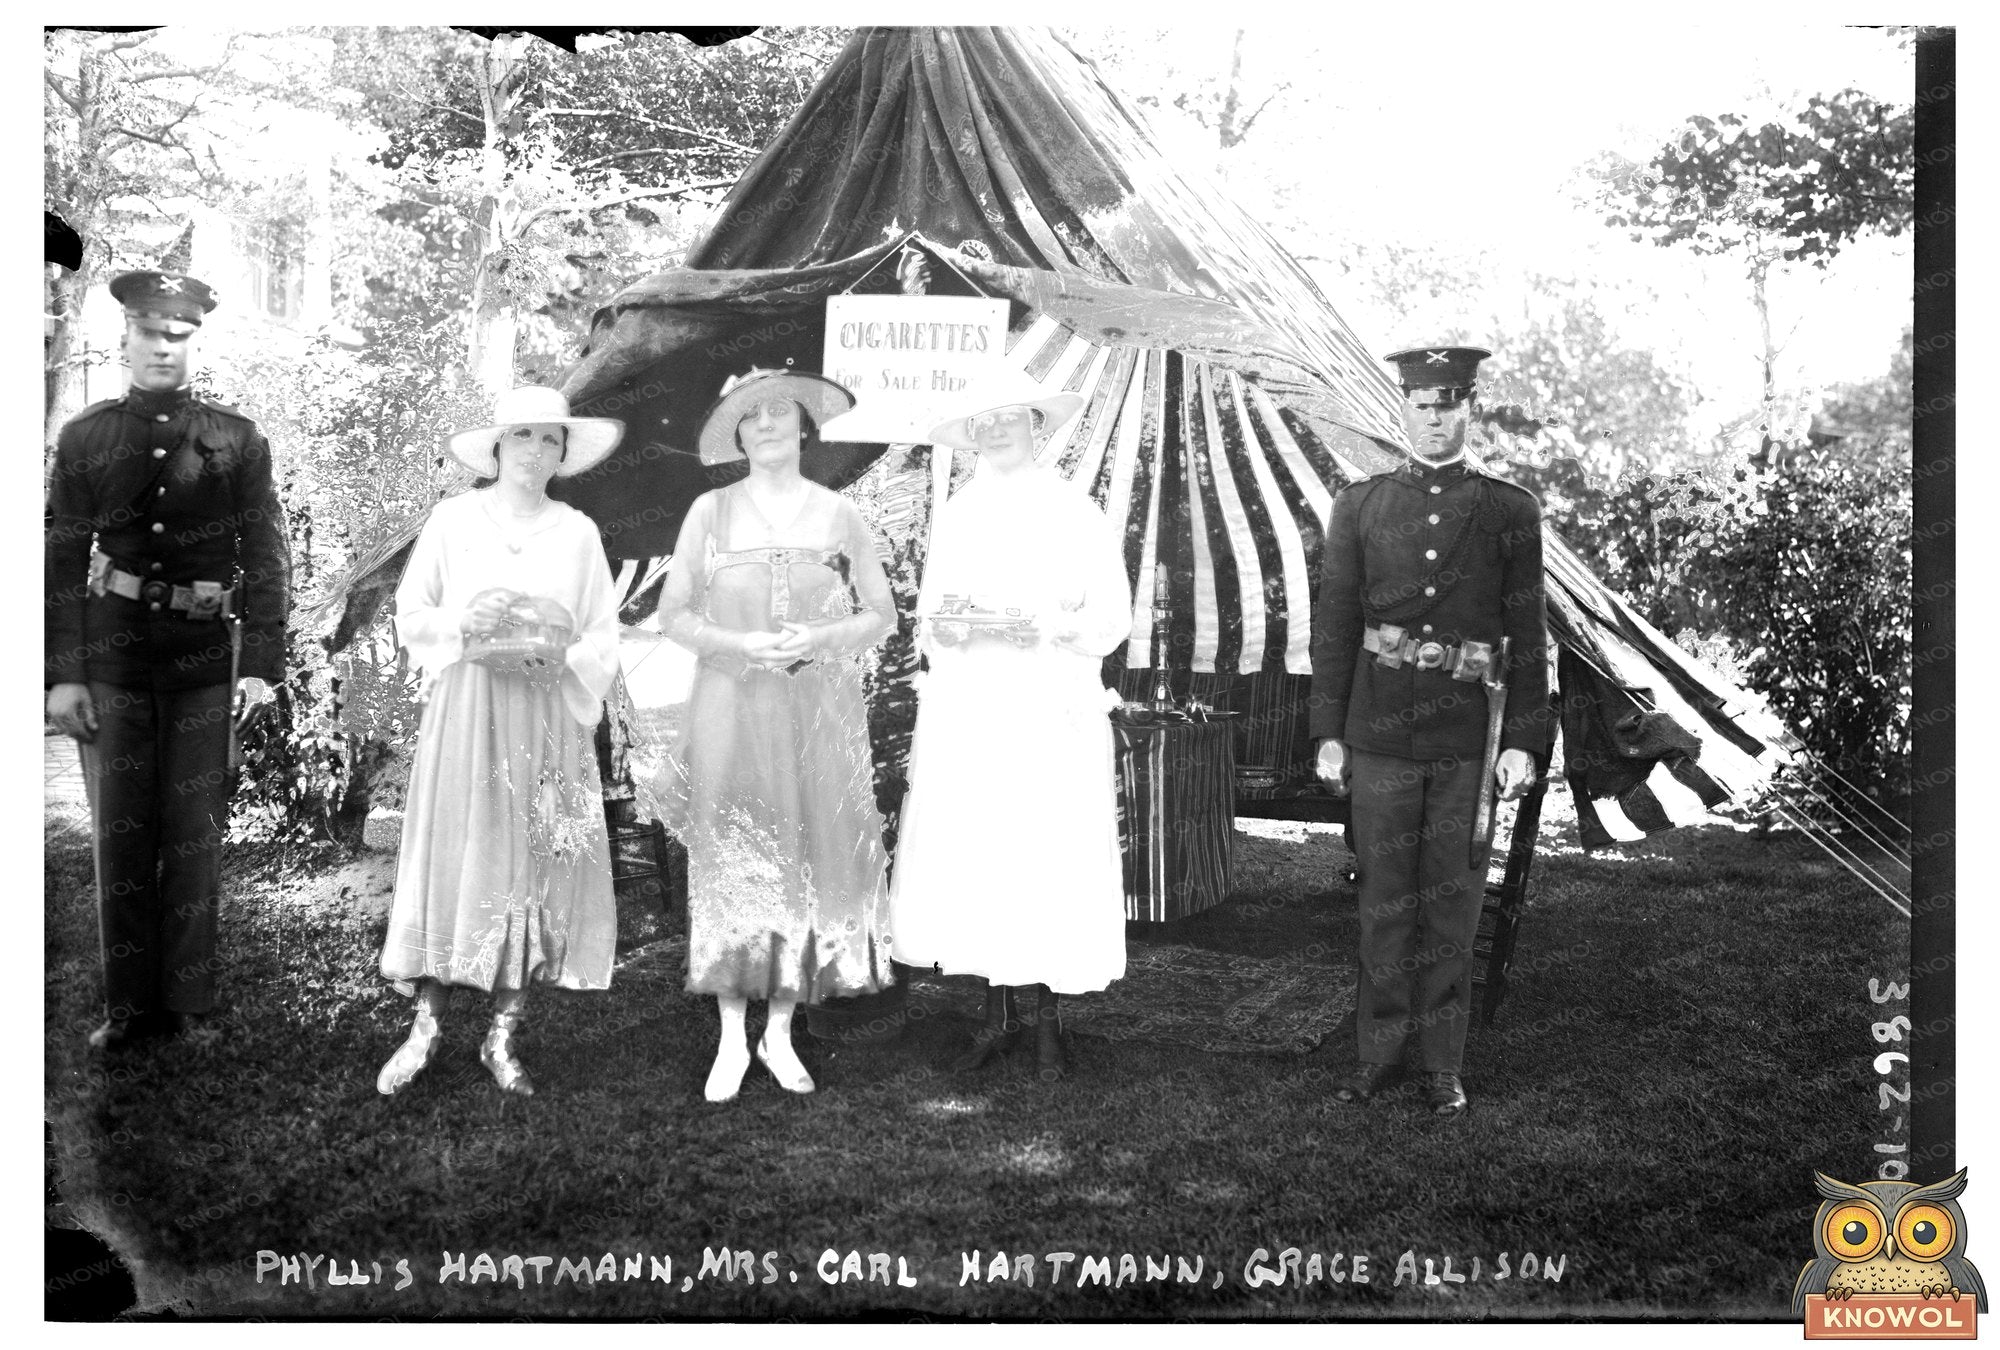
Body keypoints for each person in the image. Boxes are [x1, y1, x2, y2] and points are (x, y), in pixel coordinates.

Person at [45, 269, 291, 1052]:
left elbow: (266, 550)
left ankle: (188, 1004)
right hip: (113, 661)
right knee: (119, 835)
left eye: (178, 336)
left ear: (195, 344)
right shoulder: (86, 438)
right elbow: (61, 558)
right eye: (150, 333)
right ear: (126, 338)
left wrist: (259, 661)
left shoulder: (235, 439)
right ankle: (127, 1008)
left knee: (193, 837)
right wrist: (63, 675)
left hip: (201, 665)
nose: (163, 348)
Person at [1308, 343, 1552, 1118]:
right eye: (1422, 406)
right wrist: (1329, 731)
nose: (1435, 420)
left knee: (1453, 911)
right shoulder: (1361, 505)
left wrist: (1522, 739)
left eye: (1449, 406)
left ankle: (1443, 1067)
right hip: (1379, 733)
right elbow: (1334, 626)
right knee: (1383, 904)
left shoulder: (1510, 509)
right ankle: (1376, 1059)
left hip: (1466, 742)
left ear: (1469, 409)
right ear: (1403, 409)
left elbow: (1527, 630)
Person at [655, 367, 897, 1103]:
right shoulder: (709, 511)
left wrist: (820, 637)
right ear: (737, 432)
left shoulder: (840, 514)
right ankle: (732, 1035)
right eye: (750, 413)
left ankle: (780, 1032)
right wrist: (737, 644)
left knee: (807, 852)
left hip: (816, 708)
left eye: (778, 411)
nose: (765, 424)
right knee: (737, 851)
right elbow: (673, 615)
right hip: (731, 703)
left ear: (803, 426)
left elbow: (881, 614)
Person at [374, 386, 624, 1097]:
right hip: (468, 707)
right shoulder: (453, 520)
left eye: (551, 439)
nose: (535, 451)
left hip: (544, 713)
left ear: (563, 454)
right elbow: (412, 612)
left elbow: (602, 634)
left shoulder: (578, 533)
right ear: (496, 445)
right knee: (456, 852)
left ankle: (502, 1034)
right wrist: (466, 624)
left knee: (529, 859)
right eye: (523, 435)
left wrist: (562, 647)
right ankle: (425, 1028)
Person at [889, 374, 1133, 1082]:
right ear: (971, 436)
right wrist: (950, 629)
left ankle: (1048, 1021)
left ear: (1036, 425)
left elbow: (1111, 618)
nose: (996, 429)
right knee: (984, 850)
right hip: (974, 707)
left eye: (1009, 417)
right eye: (982, 421)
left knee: (1044, 850)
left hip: (1047, 705)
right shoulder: (959, 513)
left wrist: (1047, 626)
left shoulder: (1073, 510)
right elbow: (933, 617)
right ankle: (996, 1017)